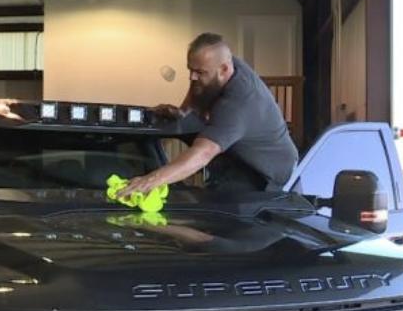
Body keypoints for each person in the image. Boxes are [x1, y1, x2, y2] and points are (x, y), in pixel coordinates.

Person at [118, 32, 298, 197]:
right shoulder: (221, 64)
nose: (192, 77)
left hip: (267, 176)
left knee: (225, 219)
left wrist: (149, 181)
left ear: (224, 70)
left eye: (200, 72)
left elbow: (203, 153)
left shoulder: (239, 104)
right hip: (237, 158)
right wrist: (185, 110)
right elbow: (197, 85)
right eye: (190, 70)